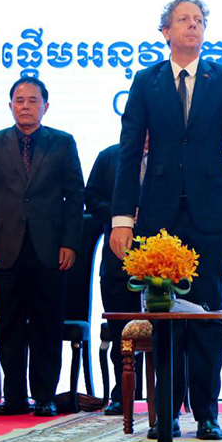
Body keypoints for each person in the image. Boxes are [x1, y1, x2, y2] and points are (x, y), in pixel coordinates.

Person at [109, 0, 222, 440]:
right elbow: (130, 149)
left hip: (212, 214)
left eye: (199, 21)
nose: (193, 27)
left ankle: (207, 413)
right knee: (165, 314)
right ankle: (166, 413)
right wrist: (122, 217)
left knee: (208, 314)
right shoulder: (146, 81)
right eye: (183, 20)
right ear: (166, 32)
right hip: (158, 216)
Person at [0, 77, 84, 417]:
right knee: (10, 324)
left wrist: (70, 242)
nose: (25, 106)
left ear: (46, 104)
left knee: (46, 324)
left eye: (32, 100)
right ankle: (13, 397)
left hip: (49, 248)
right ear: (10, 104)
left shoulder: (62, 143)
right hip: (4, 248)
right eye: (19, 100)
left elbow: (75, 197)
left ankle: (44, 396)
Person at [85, 139, 146, 416]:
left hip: (163, 259)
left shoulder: (172, 153)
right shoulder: (109, 156)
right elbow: (91, 196)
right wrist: (119, 216)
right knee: (121, 329)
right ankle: (122, 395)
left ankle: (166, 394)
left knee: (164, 332)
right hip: (118, 258)